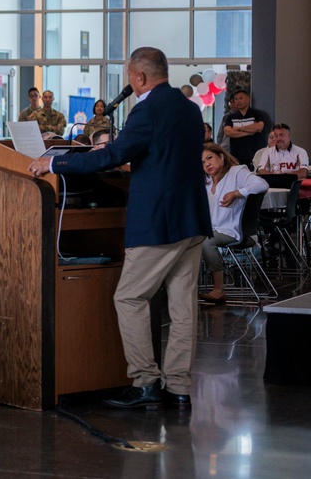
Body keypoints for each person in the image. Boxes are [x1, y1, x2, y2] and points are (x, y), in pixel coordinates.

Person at [28, 47, 210, 409]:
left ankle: (145, 383)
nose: (129, 82)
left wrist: (55, 162)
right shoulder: (190, 109)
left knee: (129, 296)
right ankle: (178, 388)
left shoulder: (148, 110)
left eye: (130, 76)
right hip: (191, 218)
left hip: (159, 223)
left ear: (139, 77)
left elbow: (113, 155)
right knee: (183, 306)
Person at [200, 143, 269, 305]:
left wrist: (237, 193)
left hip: (233, 230)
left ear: (221, 157)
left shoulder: (236, 172)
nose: (207, 164)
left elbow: (262, 185)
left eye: (209, 158)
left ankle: (218, 289)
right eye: (202, 162)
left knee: (207, 242)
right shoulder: (207, 182)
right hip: (211, 228)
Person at [223, 88, 271, 168]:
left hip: (254, 155)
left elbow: (259, 127)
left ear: (248, 99)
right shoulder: (231, 117)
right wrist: (250, 131)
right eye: (236, 99)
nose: (238, 101)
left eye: (241, 98)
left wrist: (237, 128)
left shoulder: (257, 114)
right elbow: (228, 132)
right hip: (236, 156)